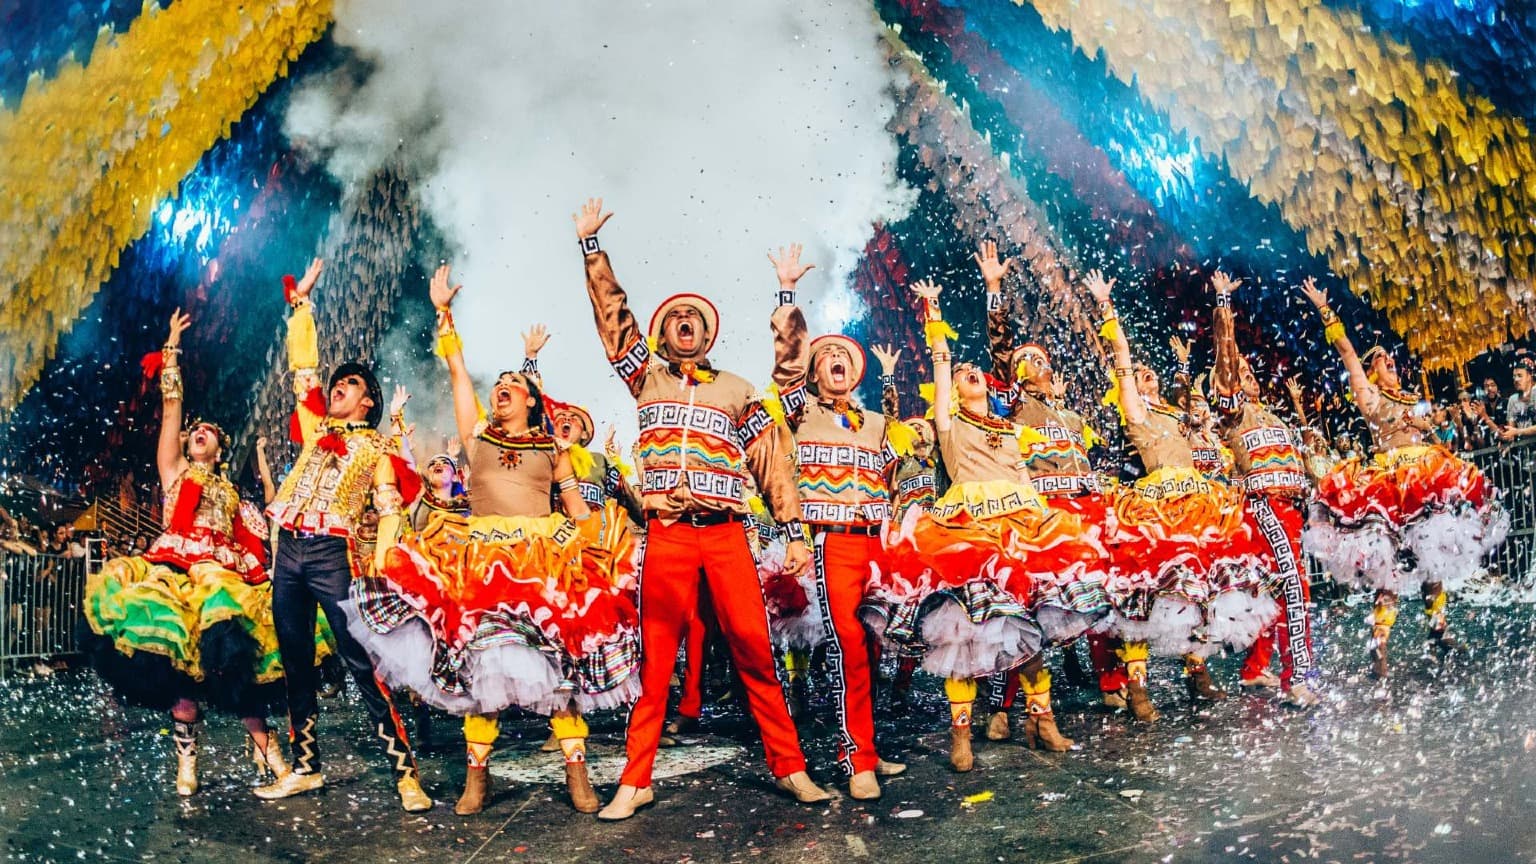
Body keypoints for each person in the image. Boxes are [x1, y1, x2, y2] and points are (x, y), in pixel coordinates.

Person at [573, 198, 829, 821]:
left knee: (752, 647)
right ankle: (636, 779)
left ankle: (790, 766)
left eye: (695, 317)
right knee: (657, 657)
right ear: (661, 336)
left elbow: (773, 460)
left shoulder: (738, 390)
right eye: (675, 317)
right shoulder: (645, 379)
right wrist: (590, 249)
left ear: (709, 333)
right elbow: (614, 320)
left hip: (725, 535)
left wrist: (792, 526)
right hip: (666, 534)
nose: (685, 321)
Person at [887, 278, 1099, 770]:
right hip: (968, 531)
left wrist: (1043, 518)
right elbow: (942, 366)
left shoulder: (1009, 427)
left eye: (972, 369)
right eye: (961, 374)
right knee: (964, 634)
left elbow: (1023, 474)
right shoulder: (949, 422)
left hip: (1021, 528)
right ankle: (960, 735)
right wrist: (934, 316)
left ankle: (1042, 719)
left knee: (1026, 626)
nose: (968, 373)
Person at [82, 309, 292, 796]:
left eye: (209, 431)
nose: (198, 432)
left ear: (219, 449)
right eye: (194, 430)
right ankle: (187, 763)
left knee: (238, 675)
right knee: (180, 678)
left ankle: (270, 753)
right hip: (177, 573)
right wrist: (172, 348)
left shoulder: (233, 495)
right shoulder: (174, 470)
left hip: (224, 576)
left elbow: (265, 528)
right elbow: (172, 408)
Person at [254, 258, 430, 811]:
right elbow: (303, 368)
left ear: (369, 401)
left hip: (335, 556)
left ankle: (405, 772)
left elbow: (390, 511)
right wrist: (301, 306)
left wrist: (384, 568)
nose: (336, 389)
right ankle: (307, 767)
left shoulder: (377, 449)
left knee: (359, 663)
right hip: (290, 554)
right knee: (295, 662)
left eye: (349, 384)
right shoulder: (314, 429)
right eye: (337, 384)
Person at [1300, 278, 1507, 677]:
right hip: (1388, 488)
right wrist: (1326, 311)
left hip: (1423, 480)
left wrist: (1429, 432)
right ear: (1372, 373)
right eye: (1380, 359)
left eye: (1388, 358)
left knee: (1431, 560)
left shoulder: (1410, 399)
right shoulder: (1369, 395)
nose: (1388, 360)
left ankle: (1438, 629)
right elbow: (1346, 352)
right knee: (1389, 568)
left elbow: (1429, 430)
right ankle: (1379, 644)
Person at [1085, 270, 1270, 711]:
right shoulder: (1135, 413)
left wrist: (1220, 309)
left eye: (1151, 374)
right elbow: (1123, 363)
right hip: (1156, 506)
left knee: (1197, 589)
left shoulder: (1172, 414)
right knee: (1145, 593)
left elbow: (1207, 393)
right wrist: (1108, 312)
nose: (1148, 377)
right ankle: (1138, 686)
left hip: (1198, 501)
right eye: (1142, 375)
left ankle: (1196, 672)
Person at [767, 243, 908, 799]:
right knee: (848, 639)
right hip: (833, 546)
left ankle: (868, 745)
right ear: (816, 373)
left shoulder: (875, 423)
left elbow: (894, 479)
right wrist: (787, 296)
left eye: (844, 356)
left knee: (874, 643)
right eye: (826, 357)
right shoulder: (801, 413)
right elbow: (785, 368)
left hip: (877, 544)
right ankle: (857, 762)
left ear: (857, 372)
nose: (837, 361)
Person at [976, 241, 1118, 729]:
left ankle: (1112, 683)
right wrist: (995, 289)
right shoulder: (1014, 404)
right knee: (1023, 610)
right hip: (1036, 518)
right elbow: (998, 354)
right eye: (1030, 361)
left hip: (1076, 517)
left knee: (1094, 600)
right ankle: (999, 706)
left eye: (1043, 360)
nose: (1041, 365)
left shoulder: (1071, 416)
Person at [1207, 272, 1320, 707]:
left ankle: (1255, 669)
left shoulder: (1273, 418)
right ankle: (1297, 679)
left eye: (1251, 371)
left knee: (1273, 588)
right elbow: (1226, 360)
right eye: (1240, 372)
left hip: (1289, 509)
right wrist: (1223, 306)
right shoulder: (1235, 414)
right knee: (1295, 588)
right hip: (1264, 507)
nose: (1247, 374)